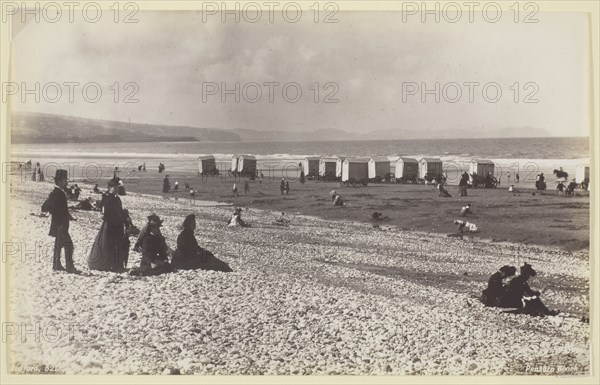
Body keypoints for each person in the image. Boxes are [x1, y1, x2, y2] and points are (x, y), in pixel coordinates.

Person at [41, 169, 80, 273]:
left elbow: (60, 208)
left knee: (59, 245)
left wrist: (69, 216)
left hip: (60, 224)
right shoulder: (57, 193)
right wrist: (54, 213)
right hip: (60, 225)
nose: (66, 182)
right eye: (64, 180)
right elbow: (45, 207)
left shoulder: (59, 192)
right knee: (69, 245)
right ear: (59, 181)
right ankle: (69, 267)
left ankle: (57, 265)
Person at [88, 180, 129, 272]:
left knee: (117, 244)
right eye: (115, 188)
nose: (117, 190)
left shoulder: (117, 198)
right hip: (110, 224)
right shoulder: (107, 198)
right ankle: (108, 264)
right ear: (110, 188)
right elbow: (105, 213)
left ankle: (116, 265)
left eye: (118, 188)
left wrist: (124, 216)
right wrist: (117, 217)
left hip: (117, 225)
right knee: (108, 244)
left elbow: (119, 210)